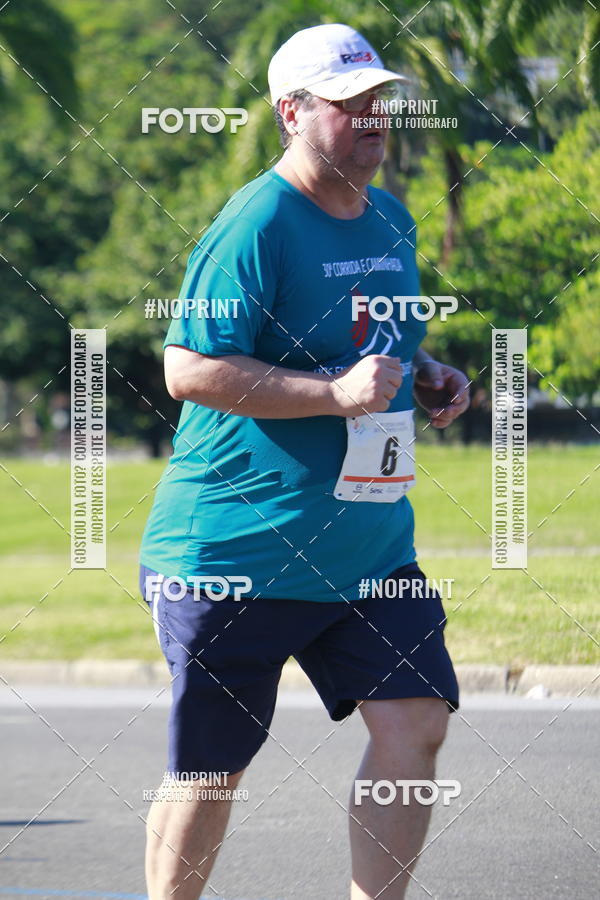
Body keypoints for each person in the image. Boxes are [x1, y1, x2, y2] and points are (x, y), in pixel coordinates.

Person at [139, 22, 470, 900]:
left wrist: (431, 378)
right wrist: (333, 394)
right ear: (293, 112)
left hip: (367, 552)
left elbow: (385, 347)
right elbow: (187, 370)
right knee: (212, 771)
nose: (372, 116)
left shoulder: (391, 217)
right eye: (347, 102)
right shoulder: (257, 223)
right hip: (237, 550)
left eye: (378, 99)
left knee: (416, 722)